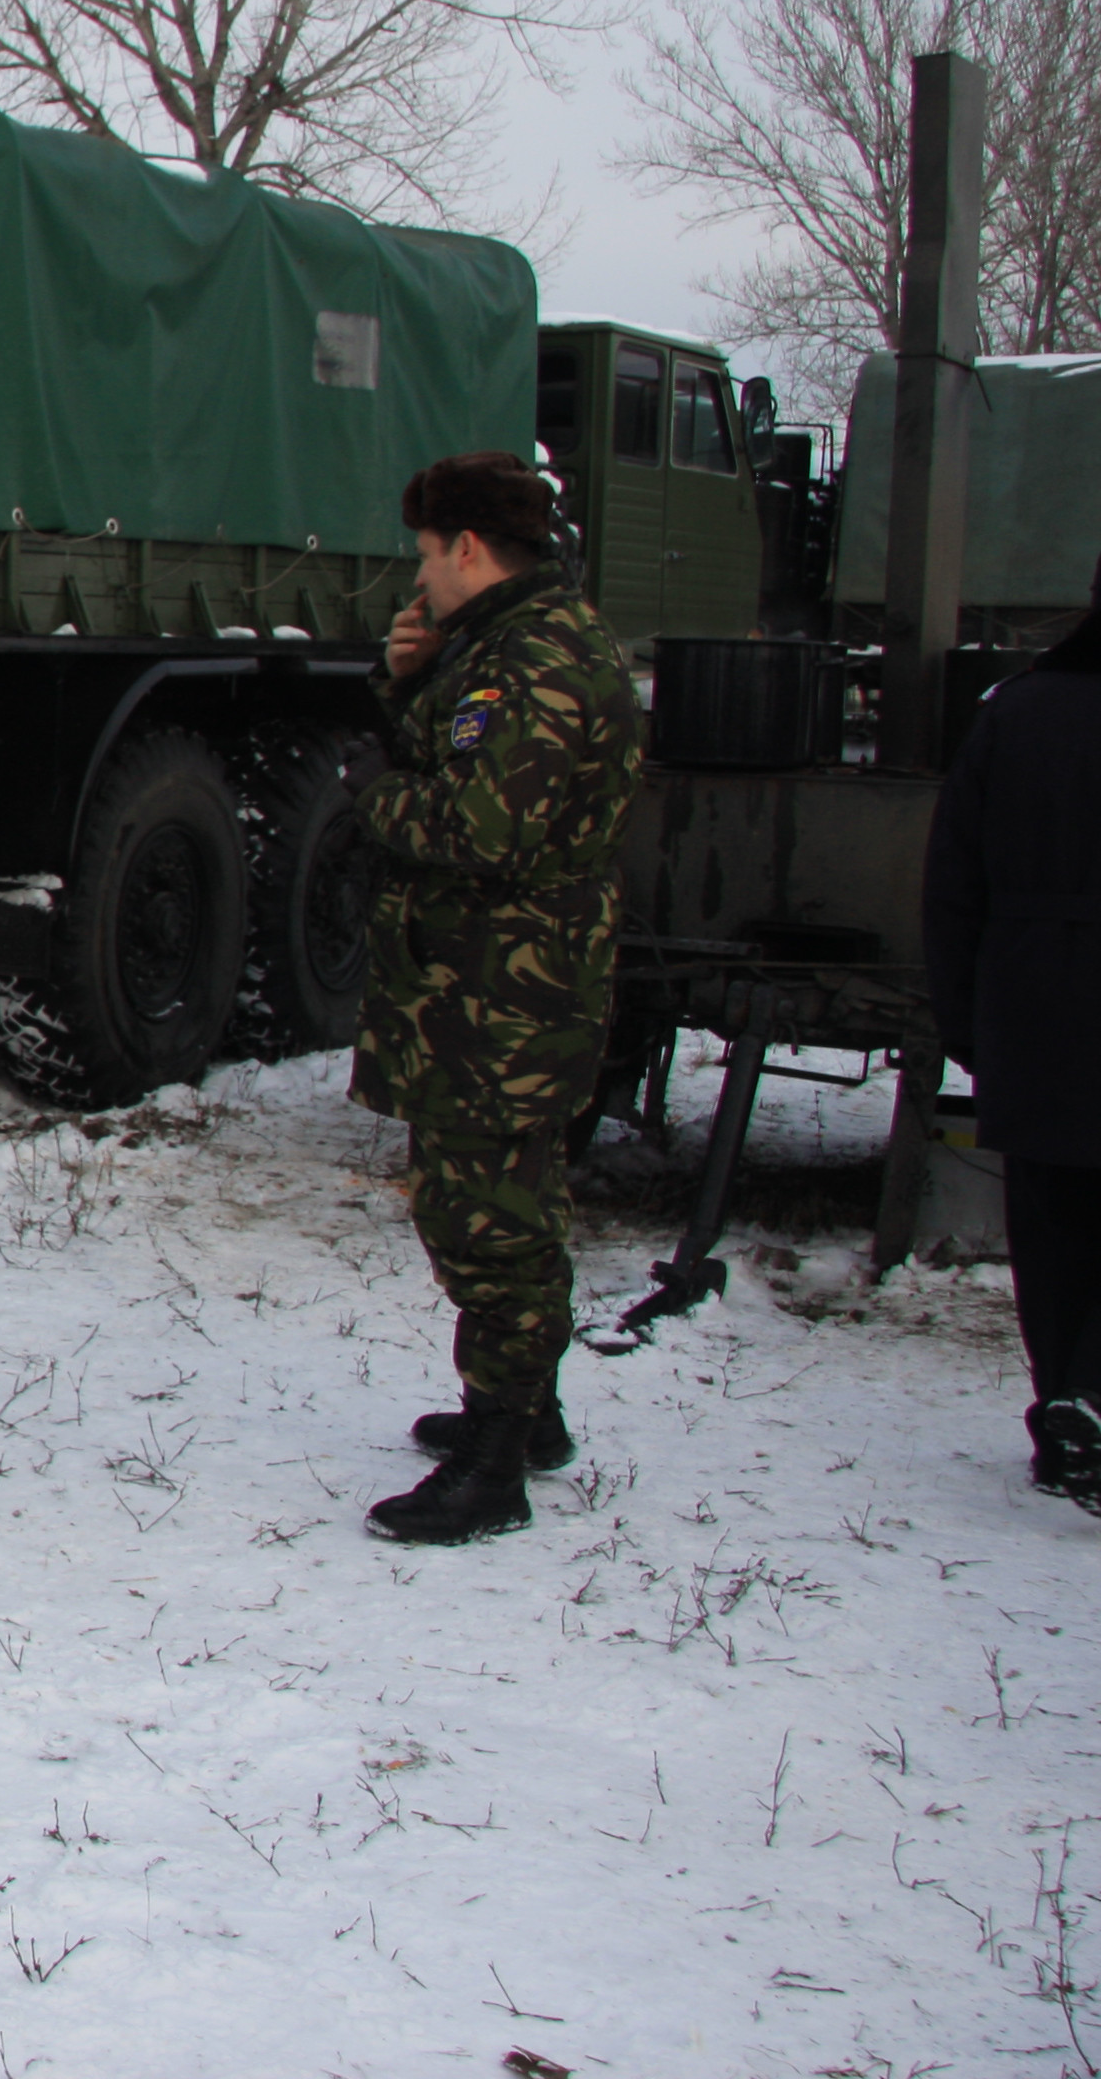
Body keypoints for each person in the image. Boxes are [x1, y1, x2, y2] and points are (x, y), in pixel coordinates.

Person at [341, 451, 641, 1547]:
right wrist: (409, 681)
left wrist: (374, 798)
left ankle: (499, 1457)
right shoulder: (510, 645)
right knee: (504, 1204)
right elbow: (459, 758)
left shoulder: (537, 661)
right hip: (486, 987)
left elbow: (481, 826)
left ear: (468, 546)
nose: (419, 578)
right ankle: (525, 1414)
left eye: (425, 554)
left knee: (487, 1218)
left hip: (502, 993)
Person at [923, 551, 1101, 1509]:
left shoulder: (1019, 711)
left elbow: (953, 880)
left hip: (1033, 1001)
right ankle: (1088, 1404)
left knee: (1052, 1224)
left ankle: (1061, 1418)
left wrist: (968, 1015)